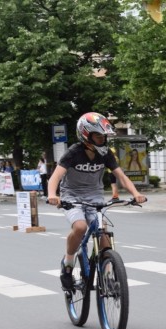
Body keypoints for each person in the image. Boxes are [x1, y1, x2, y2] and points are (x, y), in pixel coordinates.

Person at [47, 112, 146, 291]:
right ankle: (68, 264)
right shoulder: (73, 153)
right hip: (72, 196)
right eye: (98, 135)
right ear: (86, 135)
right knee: (80, 227)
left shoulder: (106, 154)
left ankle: (108, 274)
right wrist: (53, 195)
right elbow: (55, 177)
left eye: (103, 135)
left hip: (94, 196)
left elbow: (121, 176)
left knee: (103, 232)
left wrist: (136, 193)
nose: (102, 139)